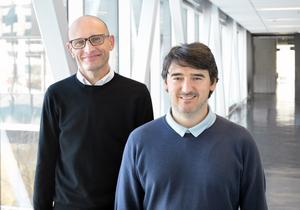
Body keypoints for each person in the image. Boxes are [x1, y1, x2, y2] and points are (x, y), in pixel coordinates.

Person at [115, 42, 268, 210]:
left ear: (213, 83)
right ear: (166, 83)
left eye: (197, 77)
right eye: (178, 77)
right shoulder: (139, 140)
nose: (186, 88)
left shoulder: (241, 141)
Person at [33, 15, 153, 210]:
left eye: (96, 39)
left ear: (110, 42)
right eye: (79, 42)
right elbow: (45, 161)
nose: (89, 49)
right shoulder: (56, 95)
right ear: (70, 49)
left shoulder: (137, 94)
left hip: (119, 205)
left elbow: (144, 163)